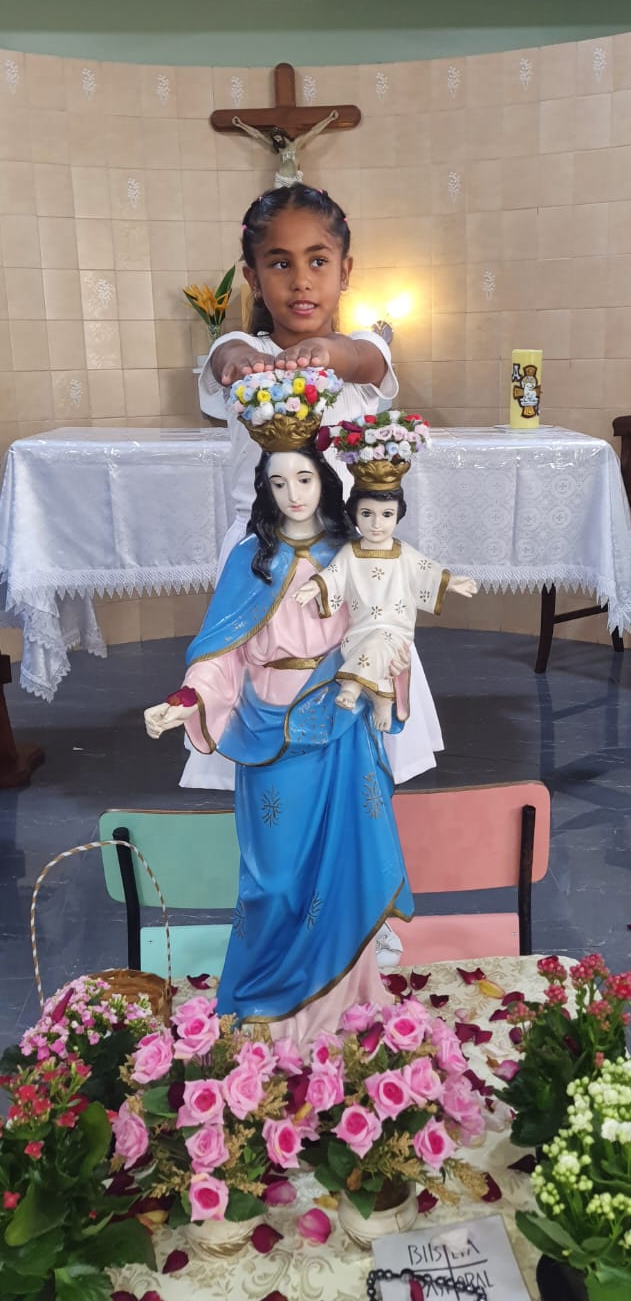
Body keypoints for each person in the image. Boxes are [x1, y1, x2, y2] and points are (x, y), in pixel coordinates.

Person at [144, 411, 413, 1046]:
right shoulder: (251, 561)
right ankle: (267, 993)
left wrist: (381, 667)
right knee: (274, 876)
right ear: (264, 489)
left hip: (340, 724)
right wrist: (188, 697)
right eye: (278, 482)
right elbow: (221, 653)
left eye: (305, 479)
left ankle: (340, 997)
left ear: (325, 480)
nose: (294, 494)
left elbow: (387, 625)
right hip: (268, 734)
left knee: (341, 864)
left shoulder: (351, 553)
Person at [183, 183, 443, 797]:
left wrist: (327, 353)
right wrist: (243, 363)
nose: (301, 280)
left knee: (357, 679)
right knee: (261, 679)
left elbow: (361, 358)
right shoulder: (242, 354)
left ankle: (357, 797)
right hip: (263, 559)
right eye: (280, 264)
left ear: (345, 272)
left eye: (318, 261)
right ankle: (268, 790)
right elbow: (226, 354)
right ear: (253, 277)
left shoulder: (362, 355)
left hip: (345, 556)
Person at [296, 468, 477, 731]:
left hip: (395, 628)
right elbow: (333, 575)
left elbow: (427, 571)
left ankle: (352, 685)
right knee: (374, 644)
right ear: (355, 514)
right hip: (360, 629)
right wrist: (315, 586)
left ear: (398, 515)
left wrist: (449, 582)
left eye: (387, 515)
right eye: (367, 514)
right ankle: (383, 697)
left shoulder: (403, 553)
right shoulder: (350, 553)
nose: (376, 524)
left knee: (382, 641)